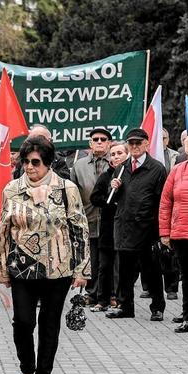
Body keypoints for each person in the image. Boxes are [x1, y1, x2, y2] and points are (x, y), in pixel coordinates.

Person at [0, 136, 90, 374]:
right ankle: (26, 367)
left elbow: (79, 228)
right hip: (21, 267)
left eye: (35, 162)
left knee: (49, 323)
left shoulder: (66, 189)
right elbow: (3, 230)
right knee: (23, 322)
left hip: (57, 268)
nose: (29, 167)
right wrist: (1, 267)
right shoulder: (12, 189)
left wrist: (82, 269)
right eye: (25, 161)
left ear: (48, 163)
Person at [106, 128, 167, 321]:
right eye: (131, 143)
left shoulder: (156, 168)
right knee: (125, 270)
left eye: (138, 143)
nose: (134, 146)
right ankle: (126, 307)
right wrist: (114, 188)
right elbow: (113, 199)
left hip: (146, 228)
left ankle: (157, 307)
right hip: (125, 226)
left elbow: (161, 201)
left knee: (151, 270)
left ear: (146, 144)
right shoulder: (122, 167)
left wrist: (159, 231)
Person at [70, 128, 112, 305]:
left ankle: (111, 295)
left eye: (104, 139)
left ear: (110, 143)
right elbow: (73, 192)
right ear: (90, 143)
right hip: (88, 217)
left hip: (110, 219)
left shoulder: (116, 162)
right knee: (91, 258)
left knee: (109, 260)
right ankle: (91, 292)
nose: (100, 142)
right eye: (96, 139)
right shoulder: (79, 165)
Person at [89, 142, 129, 311]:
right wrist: (109, 193)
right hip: (107, 228)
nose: (116, 156)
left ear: (127, 155)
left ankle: (119, 298)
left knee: (122, 267)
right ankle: (102, 299)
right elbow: (95, 198)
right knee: (104, 266)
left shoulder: (131, 175)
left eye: (119, 153)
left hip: (126, 228)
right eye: (112, 154)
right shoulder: (106, 176)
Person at [159, 134, 188, 332]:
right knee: (187, 278)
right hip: (182, 234)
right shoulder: (178, 171)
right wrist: (165, 232)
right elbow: (165, 203)